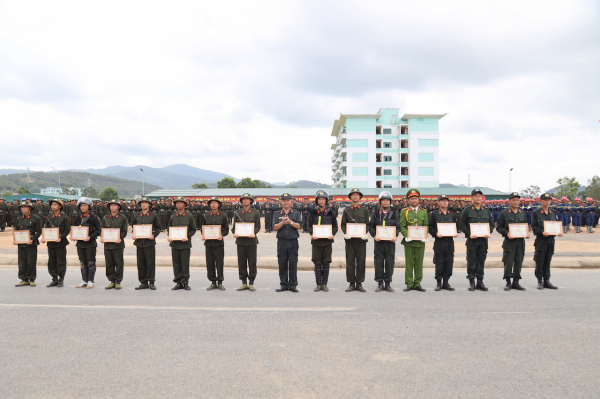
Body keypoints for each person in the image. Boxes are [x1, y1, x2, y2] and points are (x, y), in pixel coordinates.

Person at [459, 189, 495, 291]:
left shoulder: (486, 210)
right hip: (472, 240)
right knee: (471, 261)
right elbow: (462, 224)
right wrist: (469, 234)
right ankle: (471, 282)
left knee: (481, 261)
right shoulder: (467, 210)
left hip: (483, 241)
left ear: (482, 198)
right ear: (472, 198)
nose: (478, 198)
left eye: (480, 196)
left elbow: (491, 224)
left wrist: (489, 232)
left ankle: (480, 281)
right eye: (476, 196)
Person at [496, 192, 530, 291]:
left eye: (517, 200)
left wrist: (526, 233)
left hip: (520, 242)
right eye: (513, 200)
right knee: (508, 262)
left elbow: (524, 226)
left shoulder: (522, 213)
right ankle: (508, 282)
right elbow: (499, 227)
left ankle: (516, 282)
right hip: (509, 242)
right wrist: (506, 233)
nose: (515, 202)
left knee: (519, 261)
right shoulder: (504, 213)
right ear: (509, 201)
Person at [368, 191, 399, 292]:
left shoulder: (394, 214)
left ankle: (388, 283)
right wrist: (374, 235)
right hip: (379, 243)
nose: (385, 202)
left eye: (387, 200)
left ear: (390, 202)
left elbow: (397, 227)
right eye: (383, 200)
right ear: (380, 202)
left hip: (390, 243)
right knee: (378, 263)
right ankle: (380, 283)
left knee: (390, 262)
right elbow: (371, 226)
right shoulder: (375, 213)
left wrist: (395, 235)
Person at [308, 190, 338, 292]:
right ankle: (318, 284)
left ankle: (324, 284)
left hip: (327, 242)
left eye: (323, 199)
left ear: (326, 201)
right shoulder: (312, 212)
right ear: (317, 201)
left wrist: (332, 234)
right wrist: (312, 234)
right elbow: (308, 225)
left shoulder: (331, 213)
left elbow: (335, 226)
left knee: (326, 263)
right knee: (317, 263)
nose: (321, 201)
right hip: (316, 242)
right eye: (319, 199)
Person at [399, 189, 428, 292]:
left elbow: (426, 225)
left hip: (420, 242)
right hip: (409, 241)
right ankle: (409, 283)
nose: (414, 200)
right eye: (412, 199)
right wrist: (406, 235)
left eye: (416, 198)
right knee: (409, 263)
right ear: (408, 200)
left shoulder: (424, 212)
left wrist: (425, 235)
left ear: (419, 200)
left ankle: (417, 283)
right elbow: (402, 225)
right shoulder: (404, 212)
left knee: (419, 263)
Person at [341, 188, 369, 292]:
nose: (355, 196)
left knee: (361, 262)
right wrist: (346, 233)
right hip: (350, 241)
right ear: (350, 197)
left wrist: (364, 233)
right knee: (350, 262)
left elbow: (367, 224)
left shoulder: (364, 210)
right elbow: (343, 224)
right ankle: (351, 283)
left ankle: (359, 283)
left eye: (357, 195)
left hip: (361, 241)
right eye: (353, 195)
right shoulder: (346, 210)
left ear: (360, 197)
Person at [531, 193, 561, 289]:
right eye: (545, 200)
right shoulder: (536, 213)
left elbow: (555, 225)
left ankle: (547, 280)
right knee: (540, 260)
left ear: (550, 201)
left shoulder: (554, 212)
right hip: (541, 240)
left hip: (551, 240)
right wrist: (541, 232)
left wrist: (559, 232)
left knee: (548, 260)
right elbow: (534, 227)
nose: (547, 202)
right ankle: (540, 281)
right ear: (541, 201)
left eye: (548, 200)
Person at [273, 193, 302, 292]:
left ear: (291, 201)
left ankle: (293, 285)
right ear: (280, 202)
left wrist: (291, 222)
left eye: (288, 200)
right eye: (284, 200)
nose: (286, 202)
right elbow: (274, 228)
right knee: (282, 264)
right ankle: (284, 285)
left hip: (293, 242)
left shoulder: (296, 213)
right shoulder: (277, 214)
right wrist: (282, 222)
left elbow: (300, 226)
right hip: (281, 242)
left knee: (293, 264)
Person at [428, 194, 458, 291]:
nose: (445, 202)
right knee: (439, 262)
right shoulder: (435, 214)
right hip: (439, 242)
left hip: (449, 242)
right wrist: (436, 233)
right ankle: (439, 283)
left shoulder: (451, 214)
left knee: (449, 262)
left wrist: (455, 232)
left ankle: (446, 282)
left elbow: (455, 225)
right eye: (442, 201)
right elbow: (430, 227)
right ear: (439, 202)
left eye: (446, 201)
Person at [232, 193, 261, 291]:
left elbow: (258, 226)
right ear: (241, 201)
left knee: (252, 262)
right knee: (241, 262)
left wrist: (254, 233)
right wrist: (234, 233)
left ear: (250, 201)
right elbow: (234, 228)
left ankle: (251, 282)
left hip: (252, 241)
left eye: (247, 199)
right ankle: (244, 282)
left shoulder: (255, 212)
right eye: (243, 199)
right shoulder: (237, 213)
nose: (245, 201)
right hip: (240, 241)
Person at [132, 197, 162, 290]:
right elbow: (134, 227)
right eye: (142, 203)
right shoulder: (136, 215)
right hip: (139, 243)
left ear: (149, 205)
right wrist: (134, 234)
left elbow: (158, 228)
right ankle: (143, 282)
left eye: (146, 203)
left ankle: (151, 281)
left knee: (150, 263)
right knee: (141, 264)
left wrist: (153, 235)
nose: (143, 204)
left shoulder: (153, 215)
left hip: (149, 243)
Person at [71, 197, 101, 289]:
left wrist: (90, 237)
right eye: (81, 206)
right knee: (82, 262)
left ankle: (90, 281)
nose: (83, 208)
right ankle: (84, 280)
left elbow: (99, 230)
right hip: (80, 244)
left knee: (91, 262)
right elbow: (74, 228)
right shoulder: (77, 218)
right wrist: (73, 236)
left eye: (85, 206)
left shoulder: (94, 218)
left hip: (90, 244)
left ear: (89, 207)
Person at [168, 196, 196, 290]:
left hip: (185, 244)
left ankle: (185, 283)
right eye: (177, 203)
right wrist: (170, 236)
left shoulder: (189, 216)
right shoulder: (172, 216)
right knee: (176, 264)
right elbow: (169, 229)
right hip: (175, 244)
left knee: (185, 264)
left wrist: (187, 236)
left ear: (184, 204)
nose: (179, 204)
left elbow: (193, 229)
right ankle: (178, 282)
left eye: (181, 203)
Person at [40, 199, 70, 287]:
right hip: (51, 243)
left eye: (55, 205)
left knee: (60, 261)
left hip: (60, 243)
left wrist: (61, 237)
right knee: (51, 261)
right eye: (52, 205)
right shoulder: (49, 217)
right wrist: (44, 238)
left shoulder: (64, 217)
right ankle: (54, 279)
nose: (53, 206)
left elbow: (67, 230)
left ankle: (61, 279)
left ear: (60, 206)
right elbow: (47, 229)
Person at [202, 197, 229, 290]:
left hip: (219, 244)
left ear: (219, 205)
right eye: (212, 203)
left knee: (219, 263)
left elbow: (226, 229)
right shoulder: (206, 215)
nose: (213, 204)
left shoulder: (223, 216)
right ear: (209, 205)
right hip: (208, 243)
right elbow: (203, 228)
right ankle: (213, 282)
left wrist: (222, 235)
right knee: (210, 263)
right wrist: (204, 235)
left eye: (215, 203)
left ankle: (220, 282)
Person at [100, 200, 128, 290]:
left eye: (115, 205)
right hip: (108, 245)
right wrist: (102, 237)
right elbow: (102, 230)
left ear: (118, 207)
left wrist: (120, 238)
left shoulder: (123, 218)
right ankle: (112, 281)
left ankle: (118, 281)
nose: (113, 207)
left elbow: (124, 231)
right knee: (109, 264)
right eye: (111, 205)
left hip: (118, 245)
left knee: (119, 263)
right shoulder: (105, 218)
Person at [13, 201, 42, 287]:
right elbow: (17, 230)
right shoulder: (19, 218)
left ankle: (32, 279)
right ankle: (24, 279)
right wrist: (15, 240)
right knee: (22, 262)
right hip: (21, 243)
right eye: (22, 207)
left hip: (31, 243)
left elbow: (39, 231)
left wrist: (32, 239)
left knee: (31, 262)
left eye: (25, 207)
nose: (23, 209)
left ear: (30, 208)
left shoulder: (35, 218)